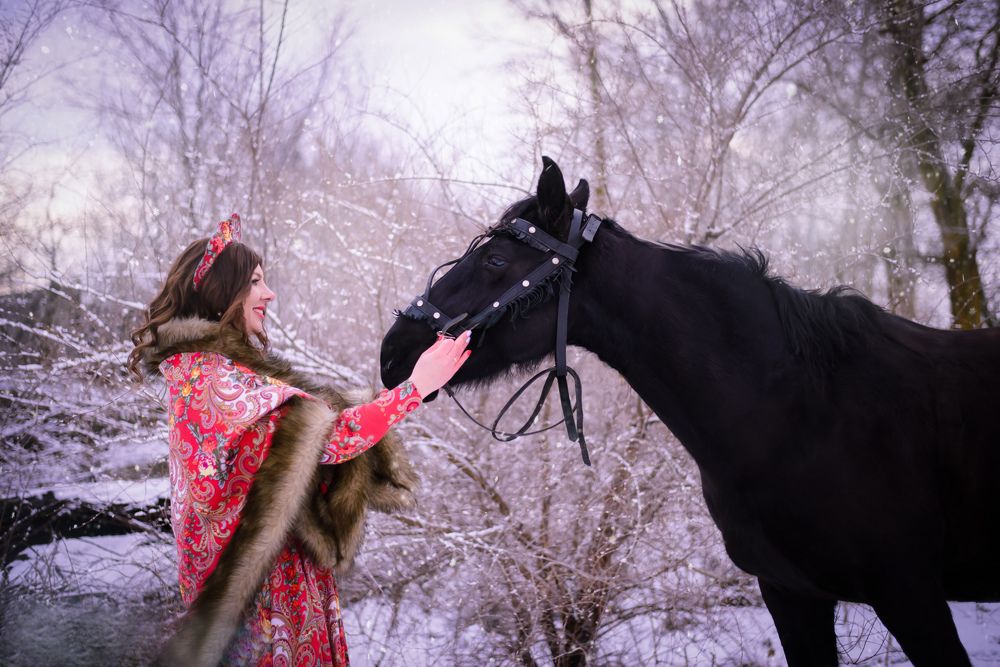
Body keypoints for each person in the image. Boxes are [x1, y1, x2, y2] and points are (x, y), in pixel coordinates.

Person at [127, 214, 470, 666]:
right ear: (221, 292)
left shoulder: (210, 372)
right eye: (255, 282)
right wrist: (413, 389)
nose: (268, 294)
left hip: (272, 580)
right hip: (262, 595)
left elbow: (291, 436)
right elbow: (322, 438)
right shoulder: (211, 380)